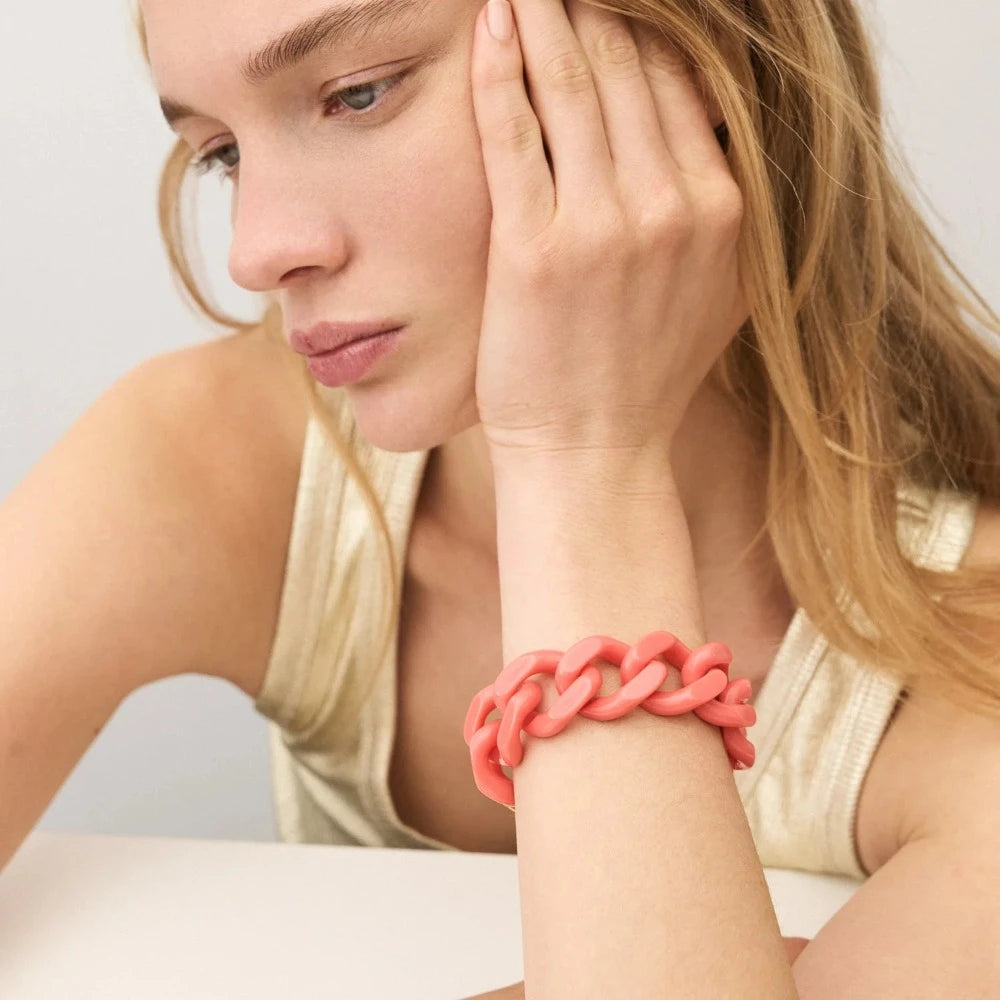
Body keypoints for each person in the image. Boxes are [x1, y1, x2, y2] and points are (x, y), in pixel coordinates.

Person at [3, 0, 999, 995]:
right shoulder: (223, 457)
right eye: (221, 152)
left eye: (359, 94)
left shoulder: (970, 656)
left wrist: (585, 462)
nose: (255, 250)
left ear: (682, 60)